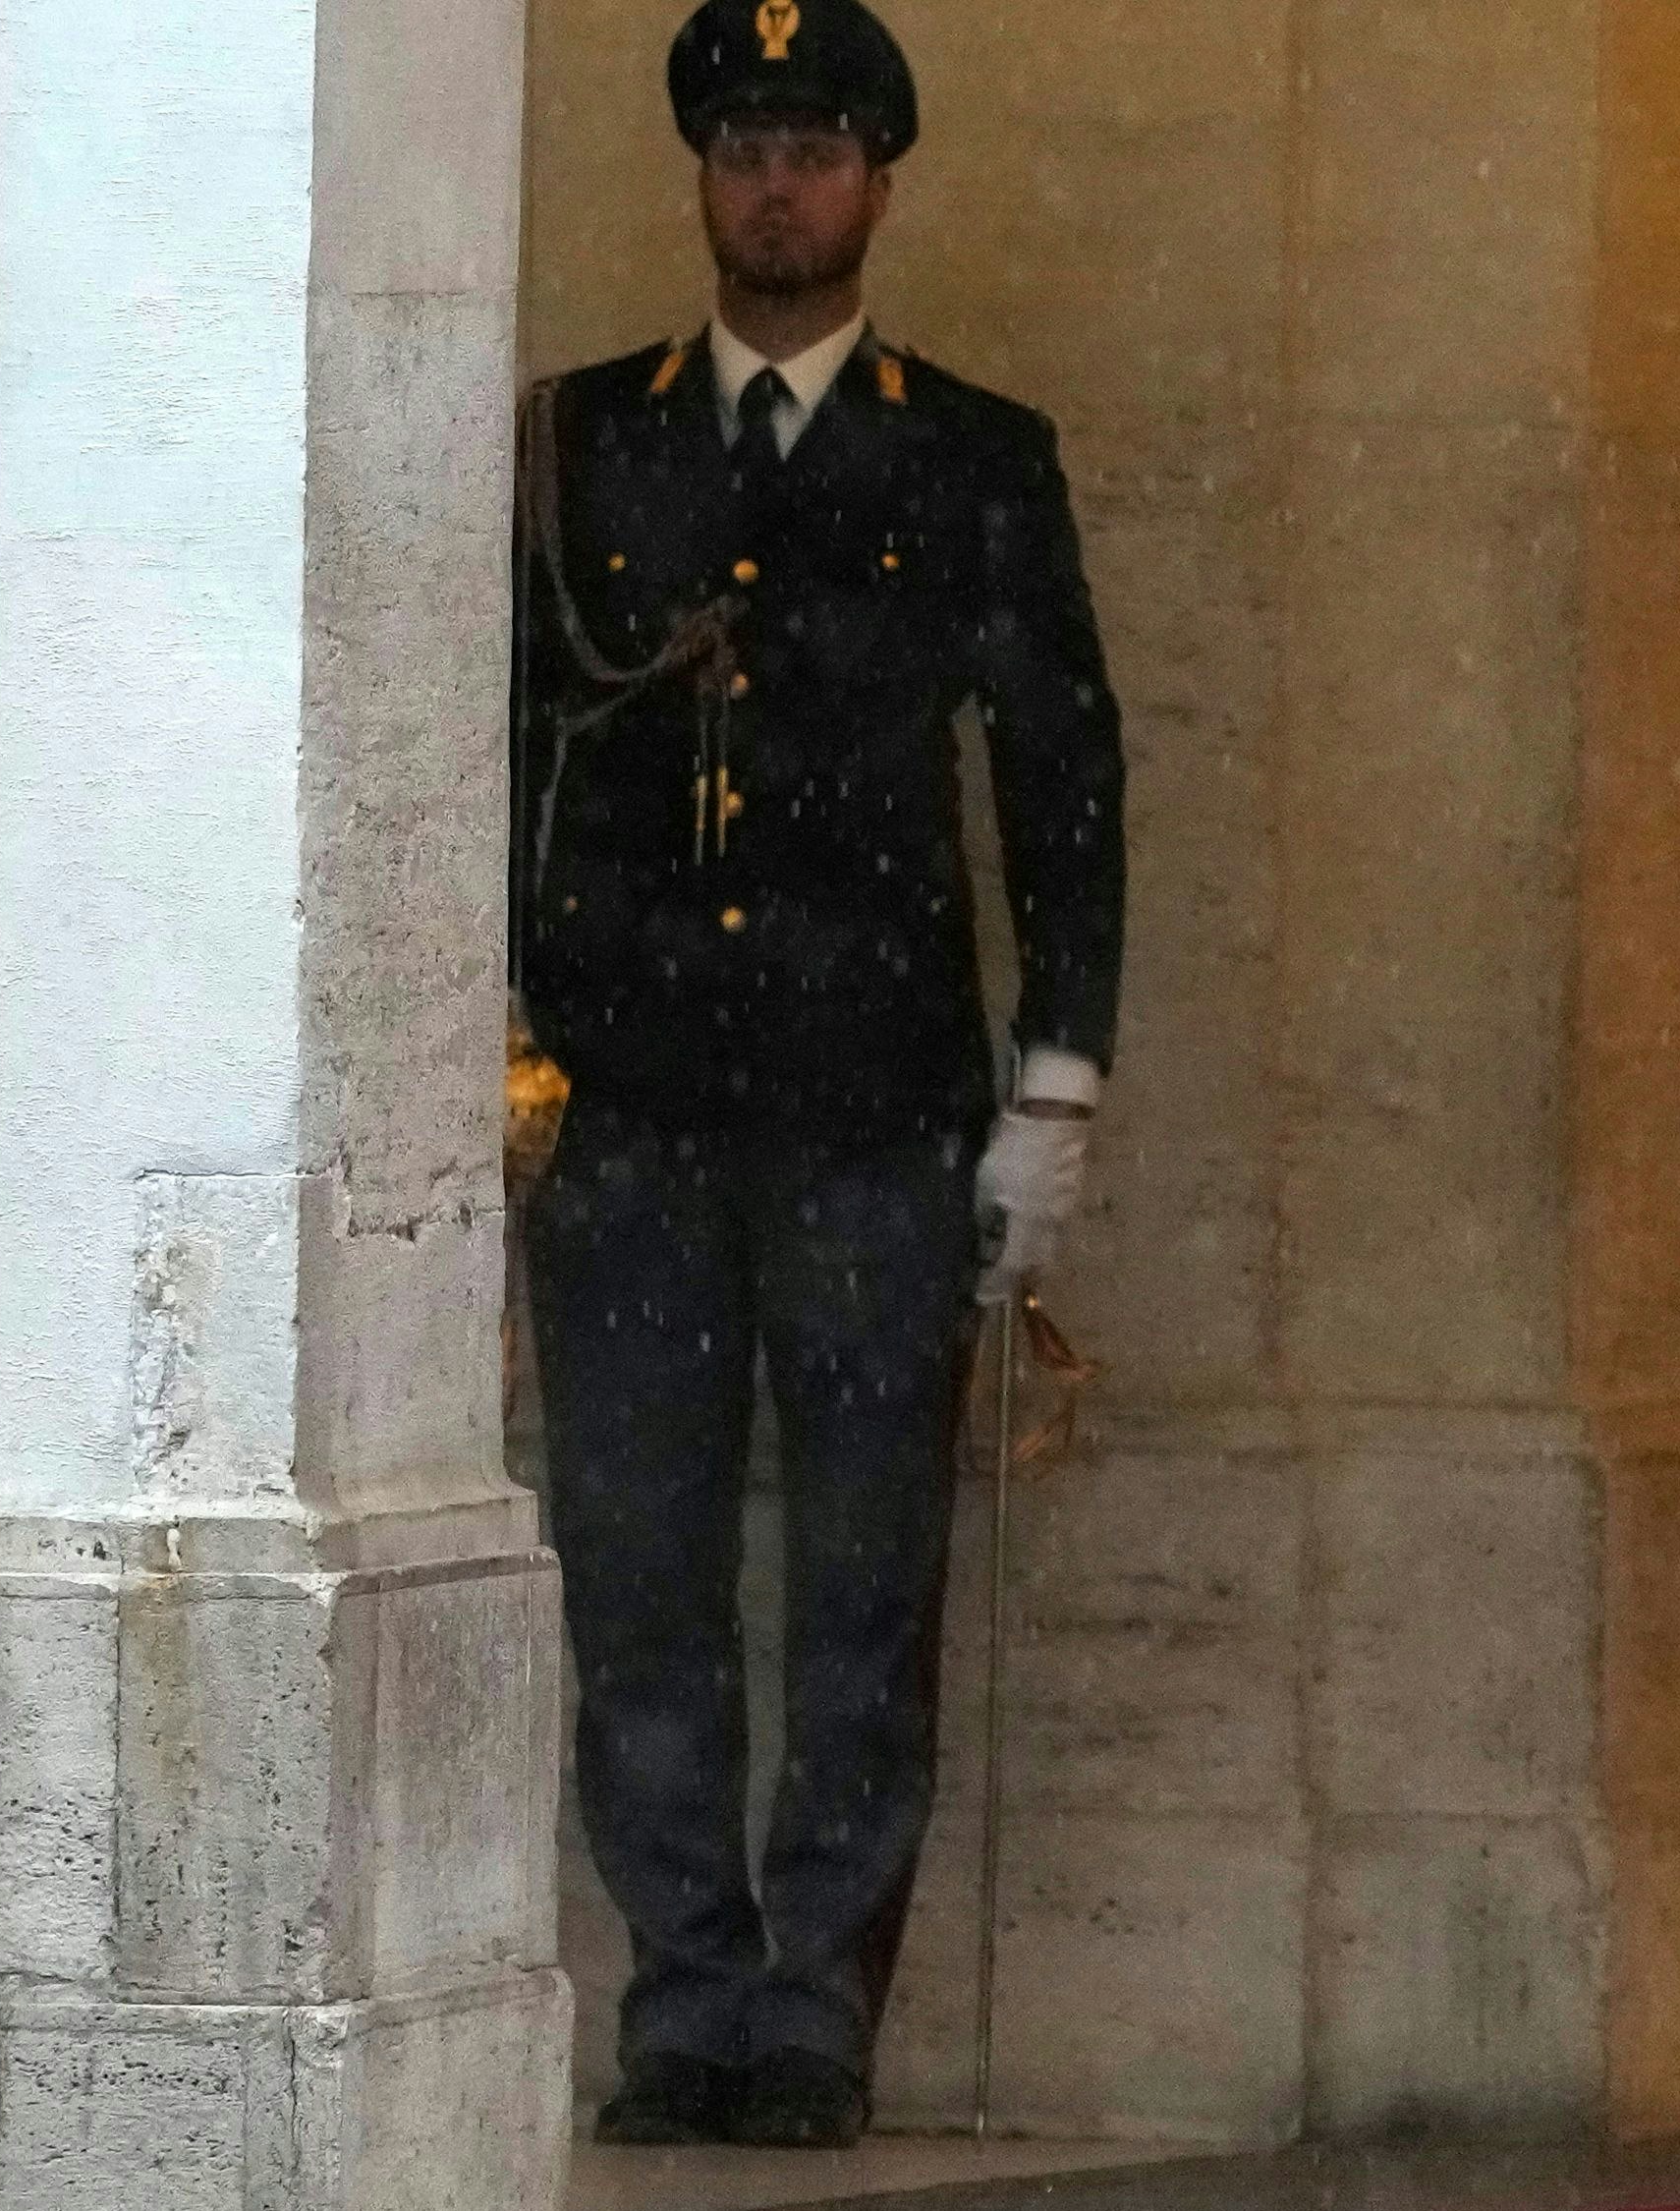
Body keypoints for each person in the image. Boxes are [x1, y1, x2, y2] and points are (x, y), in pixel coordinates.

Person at [509, 0, 1125, 2149]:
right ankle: (685, 1991)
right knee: (640, 1566)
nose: (778, 184)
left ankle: (815, 2010)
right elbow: (508, 766)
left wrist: (1059, 1069)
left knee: (866, 1577)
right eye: (746, 146)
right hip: (634, 1098)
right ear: (701, 172)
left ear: (881, 176)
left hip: (876, 1101)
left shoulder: (972, 452)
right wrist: (496, 1044)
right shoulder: (582, 438)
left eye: (818, 147)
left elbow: (1062, 775)